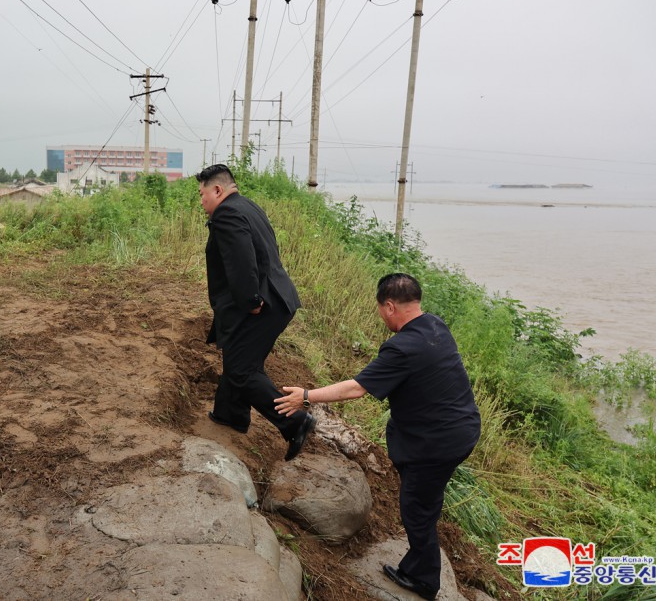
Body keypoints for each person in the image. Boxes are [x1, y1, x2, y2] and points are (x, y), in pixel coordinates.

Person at [275, 273, 481, 601]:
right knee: (425, 498)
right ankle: (420, 559)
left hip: (438, 442)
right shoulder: (435, 325)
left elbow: (357, 388)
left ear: (389, 306)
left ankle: (425, 580)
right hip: (462, 429)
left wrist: (307, 395)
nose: (380, 315)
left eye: (379, 309)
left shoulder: (402, 347)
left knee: (415, 508)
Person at [197, 163, 316, 461]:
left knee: (242, 370)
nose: (201, 201)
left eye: (202, 194)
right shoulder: (248, 206)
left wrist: (251, 299)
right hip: (277, 298)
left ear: (217, 190)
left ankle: (295, 422)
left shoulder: (226, 214)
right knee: (240, 359)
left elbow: (241, 261)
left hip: (262, 304)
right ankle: (230, 414)